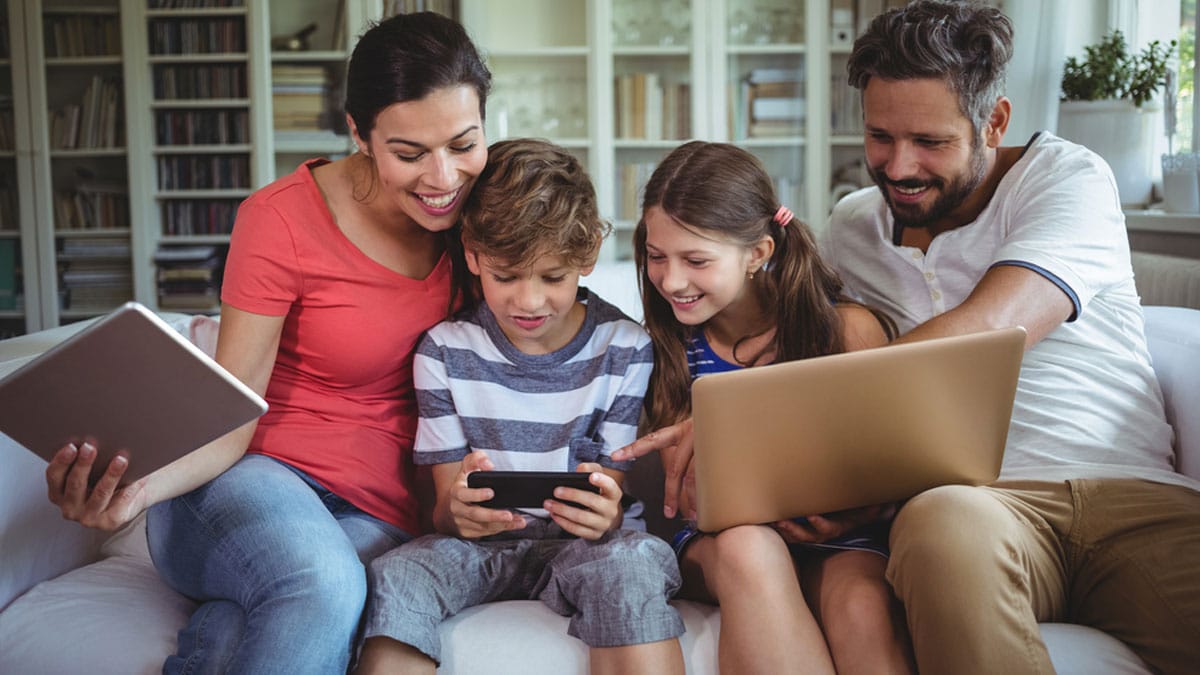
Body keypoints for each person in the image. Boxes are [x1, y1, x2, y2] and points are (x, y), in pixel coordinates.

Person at [41, 12, 492, 673]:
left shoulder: (480, 217)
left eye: (463, 143)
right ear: (358, 134)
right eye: (410, 153)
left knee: (236, 633)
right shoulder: (280, 217)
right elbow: (233, 411)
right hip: (245, 481)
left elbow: (555, 303)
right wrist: (136, 492)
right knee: (324, 584)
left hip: (378, 509)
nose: (444, 177)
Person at [821, 2, 1200, 673]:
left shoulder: (1066, 178)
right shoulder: (851, 227)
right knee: (939, 527)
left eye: (930, 143)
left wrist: (818, 417)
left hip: (1130, 493)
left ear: (994, 122)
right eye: (880, 136)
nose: (898, 167)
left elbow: (993, 329)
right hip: (976, 507)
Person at [354, 138, 686, 675]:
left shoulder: (625, 348)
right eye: (505, 277)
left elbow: (611, 484)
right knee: (400, 572)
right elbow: (444, 506)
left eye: (552, 278)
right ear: (473, 256)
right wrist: (457, 513)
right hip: (480, 551)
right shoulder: (444, 352)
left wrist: (607, 507)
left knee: (632, 562)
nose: (528, 302)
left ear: (587, 257)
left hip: (590, 547)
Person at [612, 140, 912, 674]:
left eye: (696, 260)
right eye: (657, 256)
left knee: (862, 608)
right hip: (719, 544)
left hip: (838, 538)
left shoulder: (845, 330)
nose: (671, 280)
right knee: (750, 547)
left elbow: (892, 467)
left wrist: (849, 510)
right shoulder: (663, 349)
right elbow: (674, 496)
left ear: (758, 253)